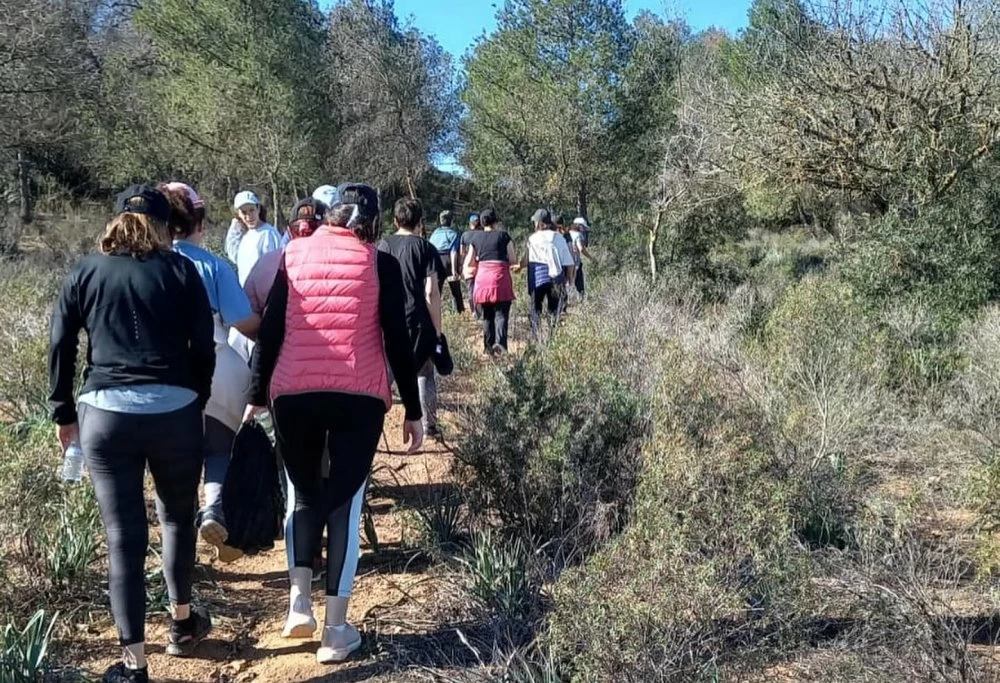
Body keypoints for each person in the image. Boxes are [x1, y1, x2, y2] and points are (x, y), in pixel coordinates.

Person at [244, 182, 424, 665]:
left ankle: (298, 604)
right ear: (370, 222)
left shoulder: (293, 254)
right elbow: (398, 340)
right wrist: (413, 407)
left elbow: (272, 329)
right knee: (343, 504)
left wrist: (257, 395)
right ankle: (336, 630)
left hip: (293, 395)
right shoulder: (378, 263)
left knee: (302, 495)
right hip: (357, 395)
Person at [48, 185, 216, 683]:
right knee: (177, 519)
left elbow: (61, 343)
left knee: (123, 537)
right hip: (175, 409)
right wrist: (196, 397)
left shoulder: (86, 270)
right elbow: (203, 344)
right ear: (167, 225)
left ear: (117, 221)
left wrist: (63, 413)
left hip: (105, 413)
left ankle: (133, 665)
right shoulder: (182, 270)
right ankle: (183, 625)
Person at [161, 182, 259, 564]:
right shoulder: (211, 264)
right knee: (219, 445)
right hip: (218, 365)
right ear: (198, 221)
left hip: (163, 374)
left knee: (172, 460)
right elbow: (244, 322)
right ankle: (214, 507)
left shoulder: (144, 264)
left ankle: (179, 545)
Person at [378, 197, 444, 439]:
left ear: (395, 220)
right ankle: (429, 427)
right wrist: (437, 328)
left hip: (388, 321)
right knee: (424, 372)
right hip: (419, 320)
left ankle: (373, 422)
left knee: (385, 373)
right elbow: (431, 291)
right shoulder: (426, 248)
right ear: (420, 222)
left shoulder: (383, 246)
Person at [225, 191, 281, 361]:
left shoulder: (268, 234)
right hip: (244, 302)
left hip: (261, 305)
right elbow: (232, 253)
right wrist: (235, 226)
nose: (249, 216)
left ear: (258, 208)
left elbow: (273, 270)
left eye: (251, 210)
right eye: (244, 212)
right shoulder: (246, 235)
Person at [463, 207, 518, 355]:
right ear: (496, 222)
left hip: (482, 281)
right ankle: (501, 346)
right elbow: (513, 260)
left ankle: (488, 349)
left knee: (487, 315)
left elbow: (469, 262)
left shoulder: (475, 238)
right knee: (501, 315)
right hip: (500, 280)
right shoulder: (504, 236)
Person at [525, 208, 574, 340]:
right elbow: (569, 261)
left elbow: (527, 259)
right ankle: (552, 337)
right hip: (556, 278)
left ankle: (536, 337)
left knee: (535, 308)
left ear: (539, 223)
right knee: (553, 310)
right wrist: (569, 278)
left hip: (538, 277)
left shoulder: (532, 238)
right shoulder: (558, 238)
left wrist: (518, 266)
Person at [428, 210, 465, 314]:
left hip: (435, 262)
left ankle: (434, 312)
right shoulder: (454, 234)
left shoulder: (434, 234)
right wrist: (454, 270)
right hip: (448, 261)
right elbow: (453, 252)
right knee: (456, 290)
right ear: (451, 221)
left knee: (436, 290)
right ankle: (459, 312)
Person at [461, 213, 483, 320]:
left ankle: (473, 311)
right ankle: (480, 311)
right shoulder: (483, 234)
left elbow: (462, 252)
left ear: (470, 224)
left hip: (469, 268)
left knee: (470, 290)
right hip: (481, 267)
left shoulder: (465, 235)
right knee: (480, 289)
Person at [570, 217, 594, 299]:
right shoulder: (578, 235)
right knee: (579, 285)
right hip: (576, 263)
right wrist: (591, 258)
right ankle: (582, 300)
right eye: (583, 227)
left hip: (566, 263)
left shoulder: (568, 234)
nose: (583, 229)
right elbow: (581, 249)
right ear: (579, 226)